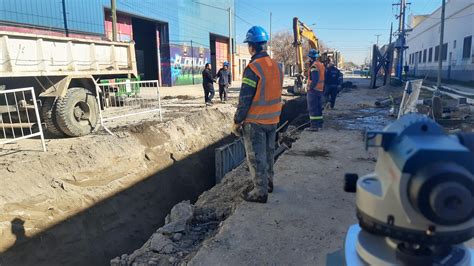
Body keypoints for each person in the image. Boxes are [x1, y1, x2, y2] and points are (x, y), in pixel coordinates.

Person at [232, 26, 283, 203]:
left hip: (256, 121)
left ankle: (260, 192)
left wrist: (237, 121)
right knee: (269, 153)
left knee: (255, 157)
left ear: (252, 46)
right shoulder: (277, 67)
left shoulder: (253, 68)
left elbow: (245, 98)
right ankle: (268, 182)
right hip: (273, 119)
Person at [305, 49, 325, 131]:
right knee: (318, 108)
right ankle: (319, 124)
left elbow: (315, 79)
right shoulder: (320, 64)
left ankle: (314, 126)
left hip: (314, 90)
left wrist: (310, 87)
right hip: (320, 89)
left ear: (311, 57)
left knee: (312, 108)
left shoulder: (314, 66)